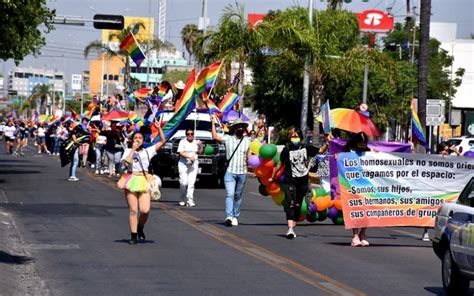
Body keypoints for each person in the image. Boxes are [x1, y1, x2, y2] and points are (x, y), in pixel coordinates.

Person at [118, 127, 166, 245]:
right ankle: (133, 236)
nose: (138, 140)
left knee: (145, 210)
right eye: (135, 138)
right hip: (131, 178)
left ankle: (140, 227)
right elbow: (126, 163)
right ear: (132, 140)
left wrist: (159, 128)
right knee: (133, 210)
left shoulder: (147, 151)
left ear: (143, 140)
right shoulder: (127, 150)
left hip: (144, 179)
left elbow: (162, 141)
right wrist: (133, 149)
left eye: (140, 138)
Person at [269, 128, 319, 239]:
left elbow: (319, 152)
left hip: (303, 181)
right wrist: (272, 176)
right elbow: (280, 163)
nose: (294, 138)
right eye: (292, 136)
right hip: (289, 179)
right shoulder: (287, 149)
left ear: (300, 137)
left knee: (297, 204)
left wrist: (327, 142)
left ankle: (293, 225)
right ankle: (290, 228)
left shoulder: (306, 148)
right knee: (290, 202)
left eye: (296, 136)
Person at [212, 117, 251, 227]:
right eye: (238, 126)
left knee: (238, 195)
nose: (240, 128)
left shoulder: (247, 141)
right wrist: (212, 123)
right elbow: (215, 137)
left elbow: (249, 156)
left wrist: (254, 167)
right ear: (234, 128)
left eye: (242, 127)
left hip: (242, 172)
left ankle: (235, 216)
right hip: (230, 172)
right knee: (230, 194)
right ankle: (229, 216)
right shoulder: (228, 138)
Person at [341, 132, 371, 246]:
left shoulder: (367, 151)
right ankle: (355, 235)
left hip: (366, 186)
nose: (363, 146)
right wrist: (338, 158)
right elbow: (341, 163)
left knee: (367, 211)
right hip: (351, 185)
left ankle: (363, 233)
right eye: (361, 143)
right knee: (355, 210)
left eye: (364, 143)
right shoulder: (348, 150)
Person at [177, 128, 203, 207]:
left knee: (191, 183)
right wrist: (189, 157)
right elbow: (180, 152)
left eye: (191, 134)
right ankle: (182, 198)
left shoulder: (196, 142)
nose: (190, 135)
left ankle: (190, 200)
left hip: (194, 164)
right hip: (183, 164)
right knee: (184, 182)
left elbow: (200, 152)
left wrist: (200, 145)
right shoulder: (182, 142)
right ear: (186, 135)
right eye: (188, 134)